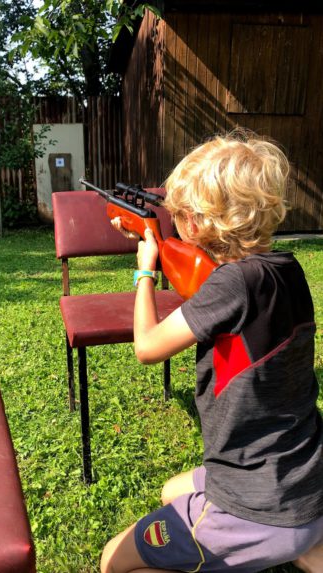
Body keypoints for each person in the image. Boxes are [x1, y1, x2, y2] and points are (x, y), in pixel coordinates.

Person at [101, 130, 323, 573]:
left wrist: (145, 270)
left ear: (196, 223)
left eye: (178, 213)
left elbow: (147, 347)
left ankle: (271, 542)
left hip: (255, 502)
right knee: (171, 490)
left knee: (112, 560)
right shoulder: (288, 270)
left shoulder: (231, 284)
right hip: (307, 481)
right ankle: (302, 546)